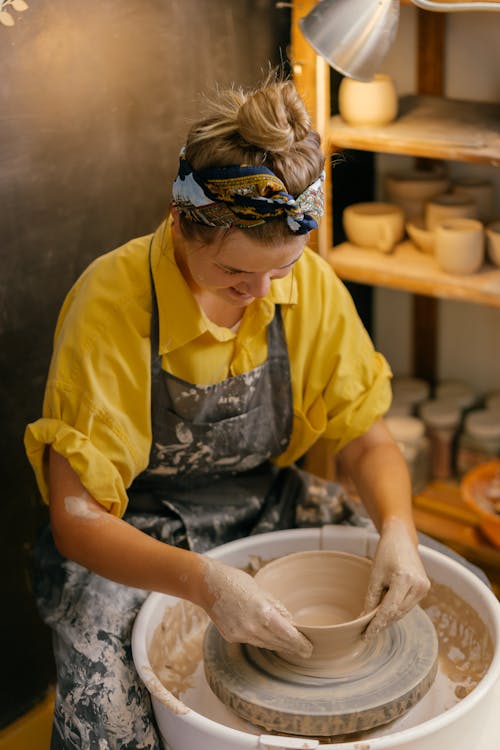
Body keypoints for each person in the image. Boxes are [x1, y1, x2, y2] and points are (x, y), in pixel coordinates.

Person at [25, 74, 430, 749]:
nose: (261, 293)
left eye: (283, 271)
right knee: (110, 720)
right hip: (133, 532)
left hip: (265, 501)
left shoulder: (309, 287)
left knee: (417, 597)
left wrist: (400, 530)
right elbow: (76, 521)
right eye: (236, 275)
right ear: (184, 222)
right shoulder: (113, 304)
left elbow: (366, 438)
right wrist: (206, 586)